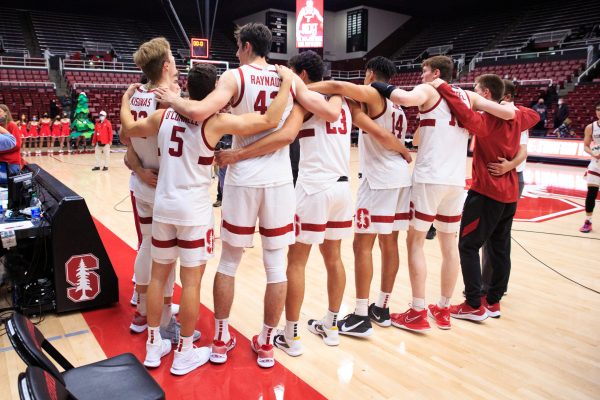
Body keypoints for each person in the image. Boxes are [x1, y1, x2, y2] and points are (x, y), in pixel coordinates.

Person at [154, 22, 342, 368]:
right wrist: (301, 86)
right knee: (275, 265)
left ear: (243, 46)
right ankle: (268, 343)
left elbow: (197, 111)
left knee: (229, 262)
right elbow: (331, 111)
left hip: (241, 176)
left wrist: (172, 99)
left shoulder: (235, 77)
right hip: (280, 180)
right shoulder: (288, 76)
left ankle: (222, 338)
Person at [215, 51, 410, 353]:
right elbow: (366, 123)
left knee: (296, 262)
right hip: (342, 189)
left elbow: (285, 135)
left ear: (301, 76)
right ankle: (331, 326)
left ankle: (290, 336)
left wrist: (239, 153)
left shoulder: (304, 102)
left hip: (313, 188)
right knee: (334, 258)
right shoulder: (346, 101)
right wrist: (402, 148)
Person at [120, 62, 294, 375]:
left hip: (163, 206)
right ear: (214, 92)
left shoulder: (162, 116)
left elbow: (128, 132)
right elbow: (269, 119)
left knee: (159, 277)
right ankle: (185, 351)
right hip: (194, 212)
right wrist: (286, 85)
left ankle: (153, 345)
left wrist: (124, 101)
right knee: (191, 283)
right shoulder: (216, 123)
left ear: (185, 87)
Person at [371, 55, 515, 331]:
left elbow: (401, 98)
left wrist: (379, 84)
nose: (421, 76)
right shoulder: (468, 97)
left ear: (436, 73)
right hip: (455, 182)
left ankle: (417, 311)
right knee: (449, 247)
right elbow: (508, 113)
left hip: (429, 180)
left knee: (415, 243)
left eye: (423, 71)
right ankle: (444, 307)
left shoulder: (430, 89)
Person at [307, 56, 413, 337]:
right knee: (390, 244)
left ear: (370, 74)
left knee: (361, 246)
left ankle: (361, 315)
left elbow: (335, 86)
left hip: (379, 180)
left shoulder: (372, 92)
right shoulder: (397, 103)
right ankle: (382, 307)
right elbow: (365, 120)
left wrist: (301, 87)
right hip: (400, 179)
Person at [425, 74, 539, 321]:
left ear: (486, 93)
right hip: (509, 194)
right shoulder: (518, 118)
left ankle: (473, 304)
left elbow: (465, 114)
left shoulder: (488, 122)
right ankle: (493, 301)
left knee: (468, 245)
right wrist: (509, 110)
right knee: (499, 247)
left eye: (476, 90)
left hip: (487, 193)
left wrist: (444, 87)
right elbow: (535, 115)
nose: (473, 93)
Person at [122, 38, 181, 340]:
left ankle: (143, 308)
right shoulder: (169, 99)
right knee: (163, 255)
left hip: (143, 181)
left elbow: (125, 139)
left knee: (146, 244)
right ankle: (164, 315)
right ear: (167, 65)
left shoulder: (137, 95)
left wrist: (137, 168)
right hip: (162, 186)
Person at [481, 79, 529, 296]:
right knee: (494, 237)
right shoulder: (498, 116)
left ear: (507, 98)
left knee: (496, 236)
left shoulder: (515, 115)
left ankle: (491, 286)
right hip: (503, 176)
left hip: (511, 177)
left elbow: (523, 150)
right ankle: (492, 284)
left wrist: (509, 165)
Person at [580, 101, 600, 233]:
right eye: (598, 110)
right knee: (591, 194)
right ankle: (588, 221)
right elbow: (586, 145)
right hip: (596, 163)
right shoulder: (591, 127)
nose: (599, 112)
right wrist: (593, 152)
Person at [0, 104, 22, 174]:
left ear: (6, 113)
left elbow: (17, 145)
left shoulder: (12, 125)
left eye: (0, 111)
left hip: (11, 162)